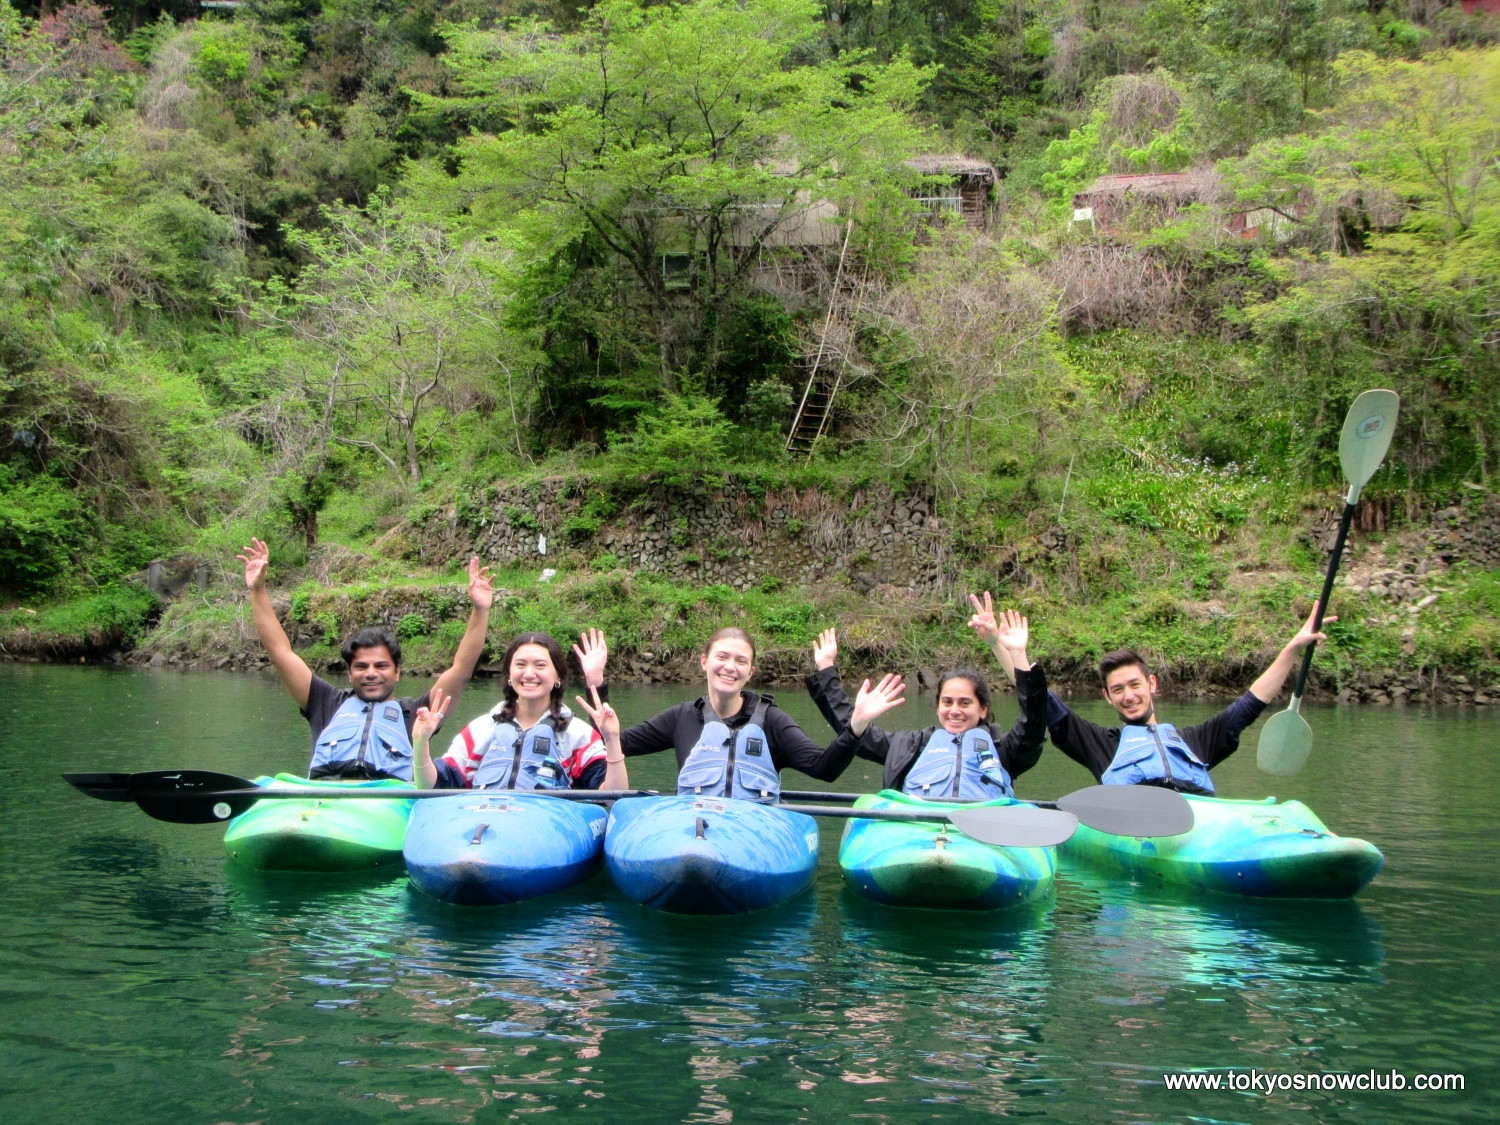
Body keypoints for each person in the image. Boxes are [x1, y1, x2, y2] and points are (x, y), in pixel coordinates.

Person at [972, 594, 1335, 795]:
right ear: (1108, 698)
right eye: (1118, 690)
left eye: (1134, 685)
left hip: (1198, 825)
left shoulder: (1195, 740)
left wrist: (1292, 649)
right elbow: (1039, 699)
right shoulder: (1101, 745)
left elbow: (1252, 702)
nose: (1128, 695)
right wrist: (1003, 648)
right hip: (1137, 829)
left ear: (1152, 686)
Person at [237, 537, 493, 782]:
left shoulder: (417, 714)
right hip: (327, 800)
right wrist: (257, 590)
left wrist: (480, 610)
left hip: (385, 805)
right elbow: (281, 653)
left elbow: (461, 669)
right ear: (349, 674)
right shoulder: (325, 702)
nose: (371, 673)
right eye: (361, 666)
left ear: (397, 672)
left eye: (381, 666)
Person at [587, 626, 855, 801]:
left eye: (741, 661)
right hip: (696, 829)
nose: (730, 667)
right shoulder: (682, 717)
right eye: (722, 657)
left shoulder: (772, 720)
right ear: (704, 661)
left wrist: (856, 729)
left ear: (750, 672)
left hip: (753, 833)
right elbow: (612, 742)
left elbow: (824, 768)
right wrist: (596, 683)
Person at [804, 612, 1049, 799]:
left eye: (965, 703)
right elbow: (853, 732)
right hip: (922, 835)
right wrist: (826, 667)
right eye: (947, 702)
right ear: (937, 706)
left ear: (983, 708)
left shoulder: (1005, 750)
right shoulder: (910, 747)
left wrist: (1018, 655)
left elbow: (1034, 723)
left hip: (982, 833)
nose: (954, 710)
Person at [425, 630, 629, 792]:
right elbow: (432, 784)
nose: (529, 674)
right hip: (484, 821)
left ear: (558, 676)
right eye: (520, 665)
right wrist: (421, 742)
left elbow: (612, 795)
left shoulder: (578, 735)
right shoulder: (480, 730)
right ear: (509, 674)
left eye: (540, 665)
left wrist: (612, 739)